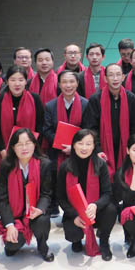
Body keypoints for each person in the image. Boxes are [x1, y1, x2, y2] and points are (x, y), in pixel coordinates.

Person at [57, 129, 118, 260]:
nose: (84, 148)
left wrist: (96, 205)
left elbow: (107, 193)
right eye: (80, 143)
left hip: (94, 210)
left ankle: (104, 241)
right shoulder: (65, 167)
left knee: (111, 210)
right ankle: (77, 240)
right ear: (74, 145)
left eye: (88, 144)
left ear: (94, 146)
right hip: (74, 212)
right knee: (74, 235)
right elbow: (61, 197)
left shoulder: (100, 164)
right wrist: (75, 215)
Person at [0, 128, 54, 262]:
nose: (24, 148)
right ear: (13, 148)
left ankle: (42, 245)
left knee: (42, 220)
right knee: (12, 246)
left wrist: (40, 209)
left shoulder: (44, 164)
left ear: (34, 144)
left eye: (28, 143)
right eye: (19, 144)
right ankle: (15, 238)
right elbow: (2, 199)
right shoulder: (6, 166)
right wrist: (10, 225)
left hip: (35, 211)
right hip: (15, 215)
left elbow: (46, 193)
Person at [43, 70, 89, 216]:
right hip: (57, 150)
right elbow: (46, 129)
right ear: (59, 84)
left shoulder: (86, 104)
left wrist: (74, 147)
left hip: (80, 150)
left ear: (77, 83)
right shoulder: (50, 106)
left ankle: (80, 205)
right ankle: (54, 204)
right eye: (64, 82)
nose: (68, 85)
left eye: (71, 82)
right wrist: (60, 144)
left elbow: (87, 129)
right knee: (53, 174)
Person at [83, 63, 135, 181]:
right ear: (105, 78)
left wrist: (131, 148)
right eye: (111, 75)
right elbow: (91, 128)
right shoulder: (96, 99)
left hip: (124, 147)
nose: (115, 78)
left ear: (123, 77)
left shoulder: (131, 98)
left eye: (118, 75)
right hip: (103, 148)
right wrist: (98, 149)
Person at [0, 66, 45, 173]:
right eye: (13, 80)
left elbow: (40, 126)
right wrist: (2, 150)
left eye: (21, 80)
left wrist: (33, 147)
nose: (17, 84)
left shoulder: (35, 99)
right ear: (7, 82)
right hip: (5, 152)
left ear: (26, 81)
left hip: (30, 150)